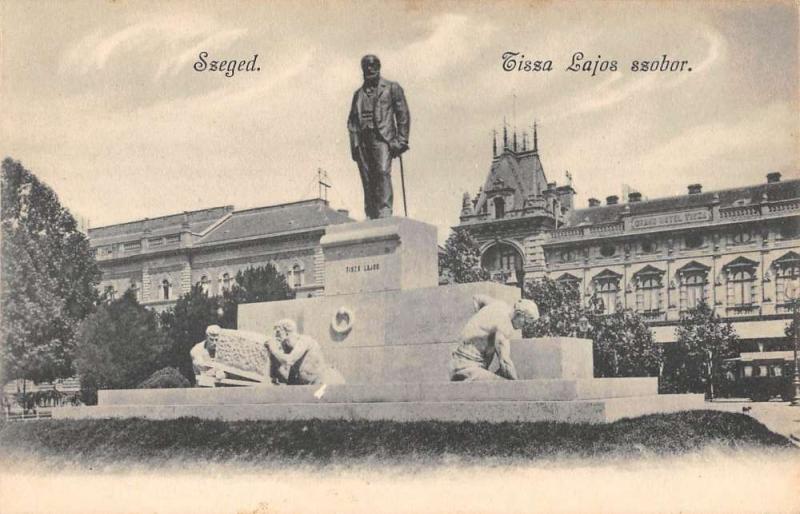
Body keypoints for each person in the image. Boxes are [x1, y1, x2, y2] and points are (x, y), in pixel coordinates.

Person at [347, 54, 410, 219]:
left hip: (382, 138)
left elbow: (402, 114)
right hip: (363, 140)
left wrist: (401, 140)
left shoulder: (391, 87)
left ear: (378, 67)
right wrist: (354, 145)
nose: (369, 69)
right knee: (367, 177)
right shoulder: (358, 94)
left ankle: (384, 209)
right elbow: (352, 121)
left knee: (382, 172)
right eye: (366, 66)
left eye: (373, 65)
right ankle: (371, 212)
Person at [450, 295, 540, 381]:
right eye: (525, 323)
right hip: (466, 369)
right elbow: (505, 363)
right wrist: (519, 386)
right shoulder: (505, 325)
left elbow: (477, 298)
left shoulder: (499, 305)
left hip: (456, 362)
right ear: (518, 314)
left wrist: (478, 328)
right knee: (505, 386)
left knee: (501, 376)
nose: (523, 327)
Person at [265, 319, 345, 385]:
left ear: (287, 333)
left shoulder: (304, 341)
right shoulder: (292, 352)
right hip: (311, 387)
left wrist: (273, 349)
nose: (277, 338)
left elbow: (288, 360)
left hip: (325, 381)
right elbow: (288, 379)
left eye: (278, 333)